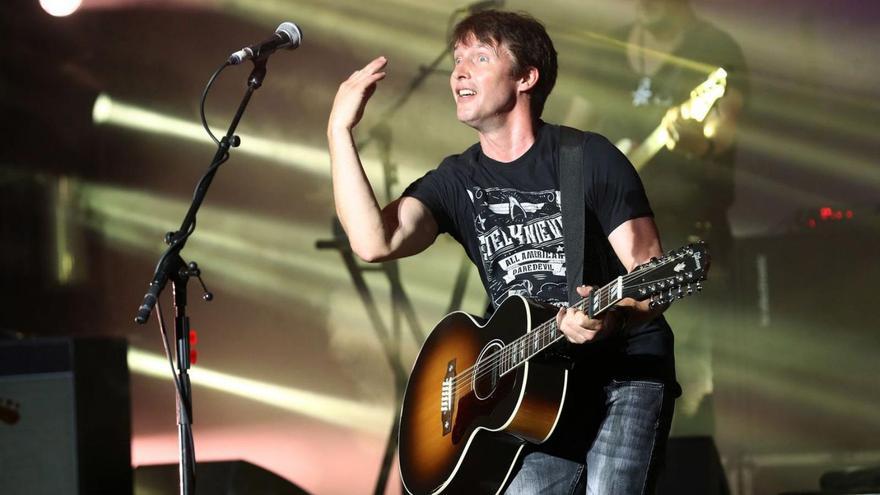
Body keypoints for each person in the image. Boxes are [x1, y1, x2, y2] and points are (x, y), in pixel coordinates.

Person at [328, 10, 676, 494]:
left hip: (623, 376)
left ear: (527, 77)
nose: (459, 72)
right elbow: (373, 241)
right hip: (535, 388)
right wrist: (339, 133)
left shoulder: (588, 158)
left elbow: (653, 276)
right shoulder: (456, 181)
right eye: (457, 59)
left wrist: (610, 317)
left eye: (481, 56)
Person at [572, 0, 747, 434]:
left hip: (684, 244)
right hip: (612, 249)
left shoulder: (715, 47)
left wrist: (697, 144)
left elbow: (723, 135)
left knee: (689, 388)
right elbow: (571, 134)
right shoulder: (609, 46)